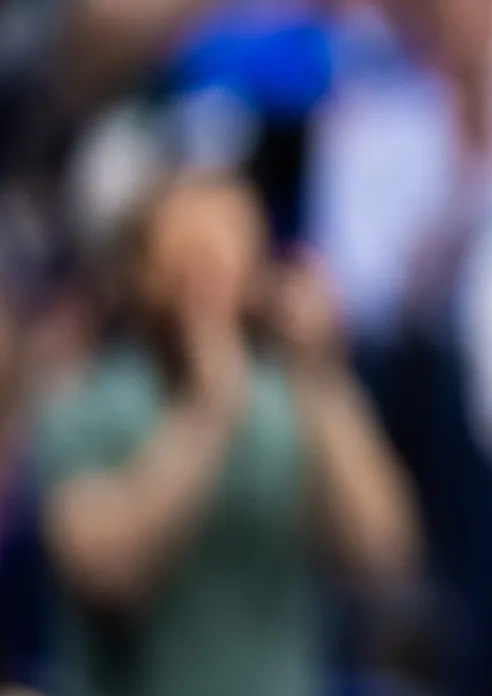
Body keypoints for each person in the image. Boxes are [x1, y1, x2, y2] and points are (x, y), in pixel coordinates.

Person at [33, 174, 417, 696]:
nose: (211, 273)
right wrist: (206, 414)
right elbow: (105, 568)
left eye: (229, 248)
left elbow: (383, 553)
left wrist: (321, 374)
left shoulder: (297, 402)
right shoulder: (88, 404)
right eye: (190, 254)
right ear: (142, 271)